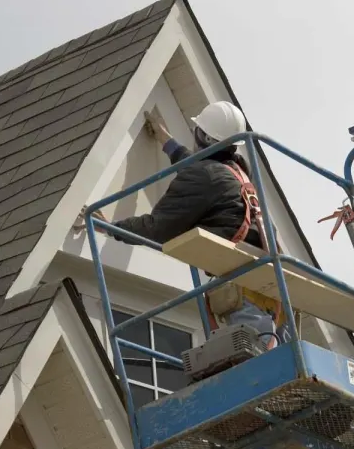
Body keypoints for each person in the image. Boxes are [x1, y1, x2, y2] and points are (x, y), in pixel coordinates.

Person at [79, 101, 290, 347]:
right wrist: (166, 141)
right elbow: (199, 168)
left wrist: (109, 227)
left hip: (245, 296)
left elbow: (157, 227)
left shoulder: (205, 176)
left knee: (257, 368)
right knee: (282, 362)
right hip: (274, 294)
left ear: (201, 135)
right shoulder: (238, 173)